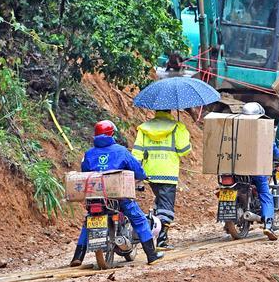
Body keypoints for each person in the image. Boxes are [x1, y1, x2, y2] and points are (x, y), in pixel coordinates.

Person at [70, 120, 164, 267]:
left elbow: (85, 172)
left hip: (95, 197)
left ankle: (77, 257)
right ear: (111, 134)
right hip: (118, 197)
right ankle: (152, 255)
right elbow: (137, 170)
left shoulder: (89, 154)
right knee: (139, 220)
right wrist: (142, 176)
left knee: (88, 222)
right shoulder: (121, 151)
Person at [132, 110, 191, 250]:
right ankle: (161, 240)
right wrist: (183, 132)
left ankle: (155, 230)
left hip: (150, 172)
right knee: (166, 207)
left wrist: (136, 172)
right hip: (168, 173)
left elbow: (137, 153)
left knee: (160, 202)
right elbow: (184, 150)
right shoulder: (177, 127)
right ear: (169, 111)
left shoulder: (144, 128)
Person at [241, 102, 279, 241]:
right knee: (265, 194)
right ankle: (268, 225)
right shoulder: (263, 129)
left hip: (235, 170)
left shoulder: (236, 128)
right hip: (256, 170)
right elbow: (273, 149)